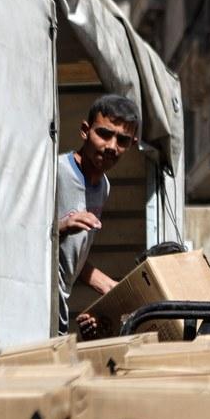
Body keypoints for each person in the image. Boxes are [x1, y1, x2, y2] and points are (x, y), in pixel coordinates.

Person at [59, 95, 139, 337]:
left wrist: (111, 288)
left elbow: (73, 257)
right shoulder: (56, 172)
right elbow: (18, 233)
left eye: (122, 140)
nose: (112, 147)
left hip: (59, 307)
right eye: (104, 134)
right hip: (31, 304)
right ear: (85, 131)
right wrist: (60, 226)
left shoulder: (103, 186)